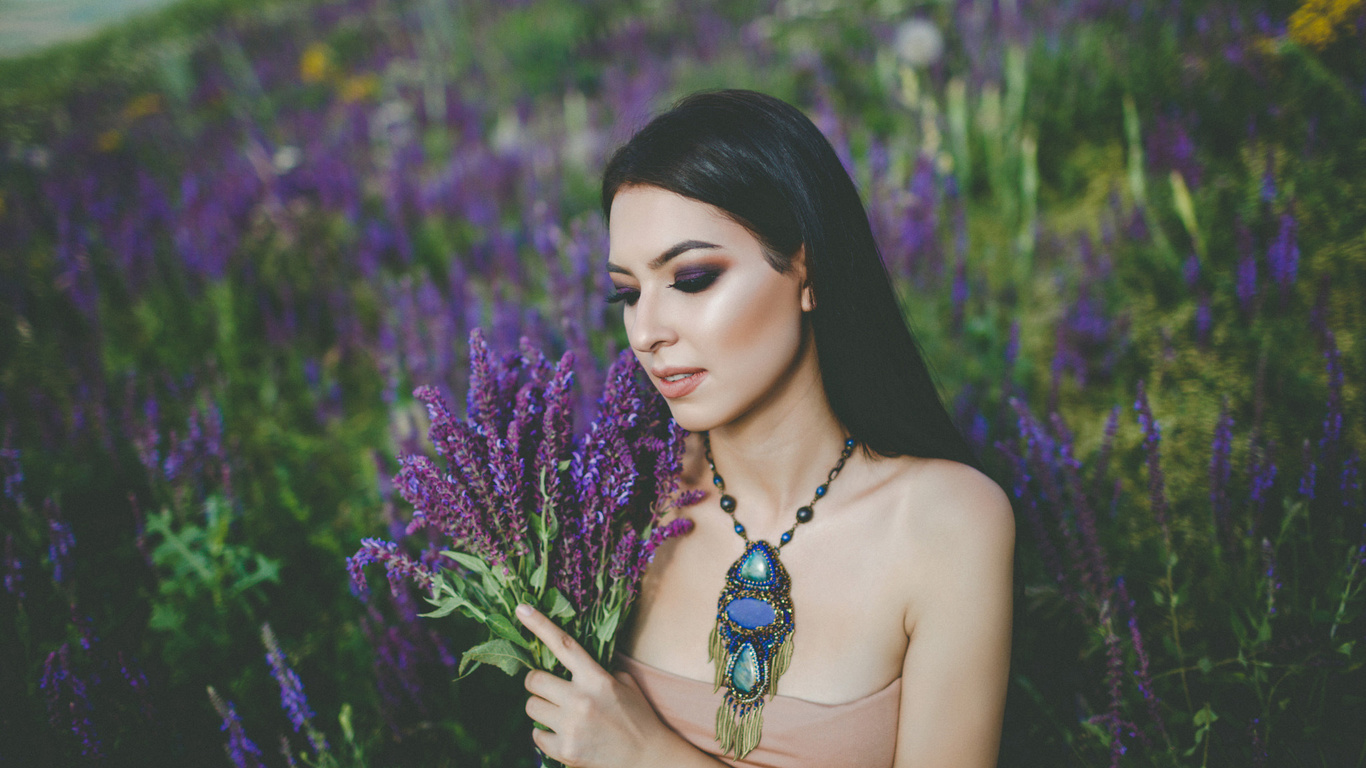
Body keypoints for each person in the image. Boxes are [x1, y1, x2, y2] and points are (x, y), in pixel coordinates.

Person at [514, 89, 1014, 768]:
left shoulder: (945, 525)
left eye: (691, 278)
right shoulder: (617, 507)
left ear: (804, 268)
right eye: (628, 293)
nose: (646, 332)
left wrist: (646, 756)